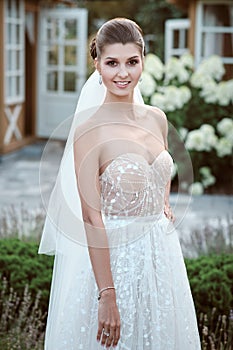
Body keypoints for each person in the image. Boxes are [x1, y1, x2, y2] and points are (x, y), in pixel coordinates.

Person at [39, 17, 201, 349]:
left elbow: (161, 167)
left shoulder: (157, 118)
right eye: (112, 63)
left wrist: (164, 204)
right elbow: (90, 216)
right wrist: (107, 294)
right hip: (114, 260)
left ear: (143, 60)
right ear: (96, 64)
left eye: (132, 62)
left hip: (160, 255)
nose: (123, 73)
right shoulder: (88, 130)